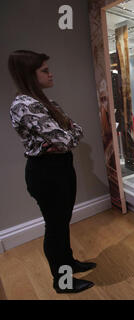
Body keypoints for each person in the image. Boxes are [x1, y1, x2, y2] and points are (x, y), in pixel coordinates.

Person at [8, 50, 96, 294]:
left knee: (62, 222)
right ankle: (62, 281)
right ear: (29, 74)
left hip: (61, 166)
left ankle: (68, 264)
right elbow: (65, 139)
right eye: (44, 70)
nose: (50, 73)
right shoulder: (24, 105)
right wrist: (64, 135)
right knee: (55, 226)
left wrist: (65, 135)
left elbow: (74, 131)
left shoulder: (47, 103)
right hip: (46, 172)